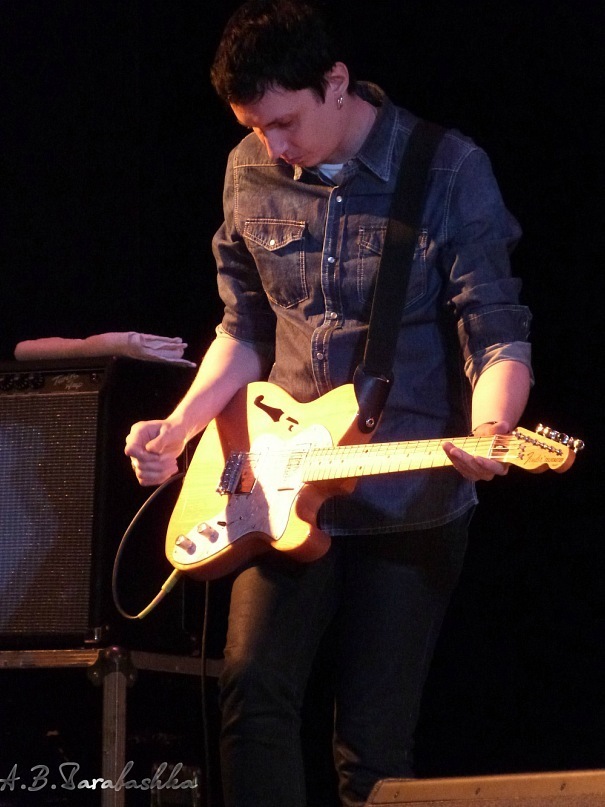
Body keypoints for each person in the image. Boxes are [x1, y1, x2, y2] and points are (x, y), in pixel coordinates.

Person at [125, 1, 533, 804]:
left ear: (335, 83)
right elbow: (242, 328)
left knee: (372, 745)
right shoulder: (247, 167)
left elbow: (496, 333)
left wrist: (492, 426)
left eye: (283, 122)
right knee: (251, 693)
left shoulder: (446, 168)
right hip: (274, 477)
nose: (272, 146)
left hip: (407, 495)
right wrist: (180, 426)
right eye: (254, 127)